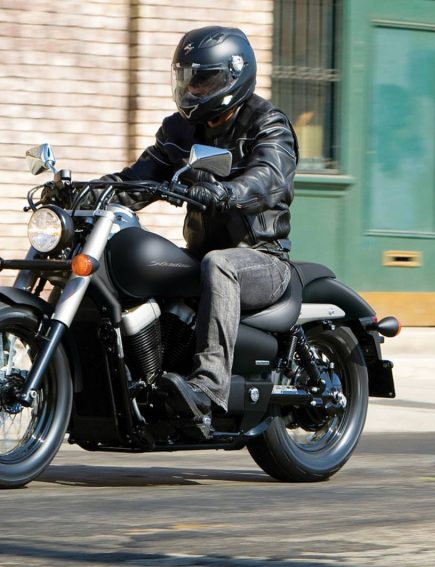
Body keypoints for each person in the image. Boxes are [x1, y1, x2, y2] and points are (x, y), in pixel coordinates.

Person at [103, 26, 299, 438]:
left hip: (261, 258)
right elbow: (139, 179)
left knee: (220, 265)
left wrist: (227, 192)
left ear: (233, 76)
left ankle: (209, 387)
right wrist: (90, 193)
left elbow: (269, 177)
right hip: (202, 254)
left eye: (203, 79)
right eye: (187, 78)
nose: (192, 89)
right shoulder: (179, 130)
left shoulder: (268, 123)